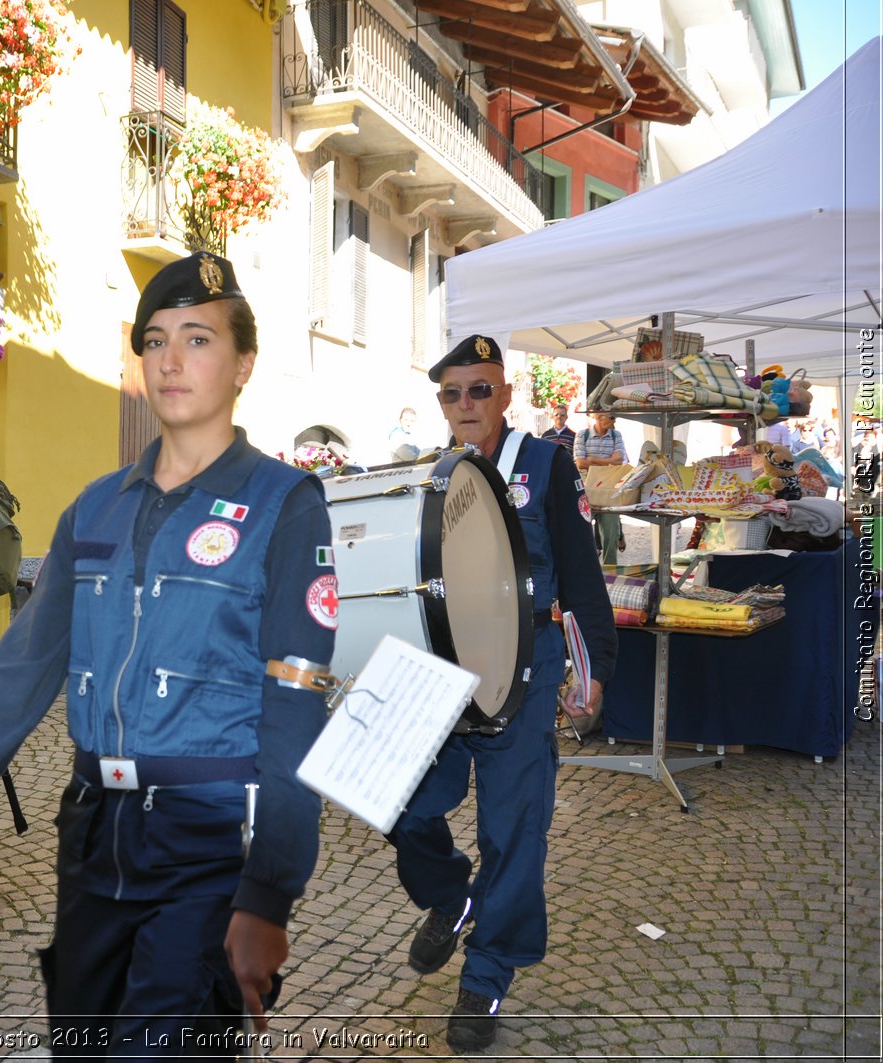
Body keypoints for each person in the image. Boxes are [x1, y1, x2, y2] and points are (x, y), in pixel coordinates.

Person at [0, 251, 336, 1054]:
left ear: (243, 364)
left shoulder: (284, 507)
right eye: (155, 341)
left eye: (197, 339)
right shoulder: (94, 508)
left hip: (207, 840)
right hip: (91, 832)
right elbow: (19, 669)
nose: (170, 360)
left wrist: (268, 892)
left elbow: (296, 710)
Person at [389, 334, 617, 1051]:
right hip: (443, 663)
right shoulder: (434, 472)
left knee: (514, 829)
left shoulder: (544, 463)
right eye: (452, 393)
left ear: (505, 394)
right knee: (401, 799)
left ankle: (485, 977)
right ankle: (450, 895)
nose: (466, 405)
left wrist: (592, 668)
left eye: (479, 390)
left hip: (527, 661)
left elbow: (580, 574)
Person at [573, 412, 628, 564]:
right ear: (598, 417)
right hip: (587, 489)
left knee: (611, 533)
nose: (613, 420)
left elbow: (619, 460)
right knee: (582, 532)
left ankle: (610, 570)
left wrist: (592, 459)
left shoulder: (616, 435)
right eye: (610, 417)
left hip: (608, 489)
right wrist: (607, 462)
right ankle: (585, 567)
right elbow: (580, 463)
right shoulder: (582, 435)